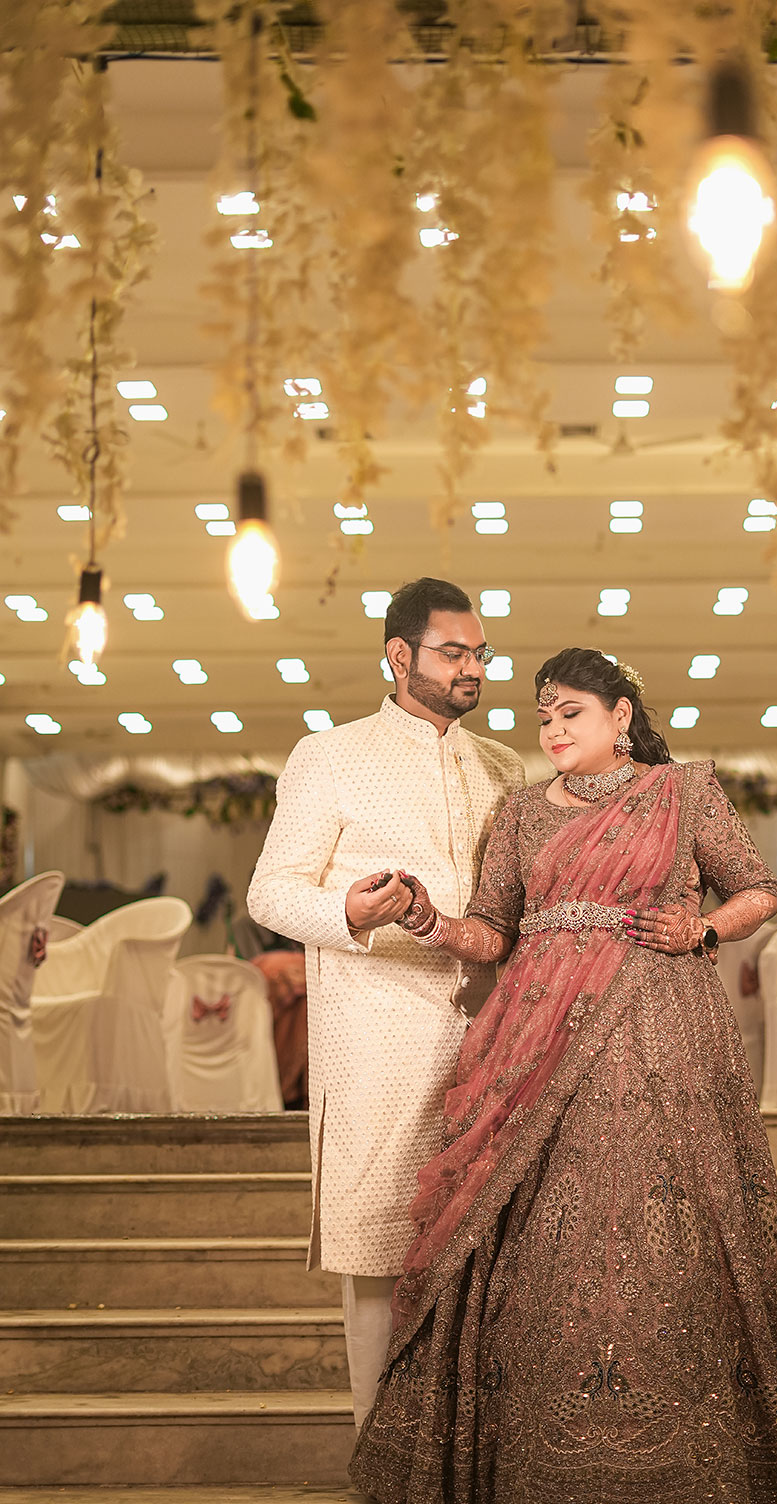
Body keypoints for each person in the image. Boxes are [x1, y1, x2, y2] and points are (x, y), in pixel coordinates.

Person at [348, 647, 777, 1504]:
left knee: (666, 1222)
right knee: (543, 1228)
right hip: (534, 1045)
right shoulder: (519, 813)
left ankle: (685, 1465)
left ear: (621, 716)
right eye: (543, 718)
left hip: (663, 1033)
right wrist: (427, 917)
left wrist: (702, 928)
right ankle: (544, 1466)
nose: (552, 730)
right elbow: (495, 932)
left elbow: (757, 890)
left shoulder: (683, 792)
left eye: (571, 714)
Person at [246, 578, 525, 1430]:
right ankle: (378, 1438)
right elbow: (270, 893)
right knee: (376, 1242)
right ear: (400, 656)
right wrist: (350, 913)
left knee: (485, 1240)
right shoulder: (329, 755)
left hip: (488, 1034)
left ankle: (465, 1441)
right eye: (454, 652)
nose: (473, 668)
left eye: (480, 653)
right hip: (374, 1036)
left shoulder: (504, 766)